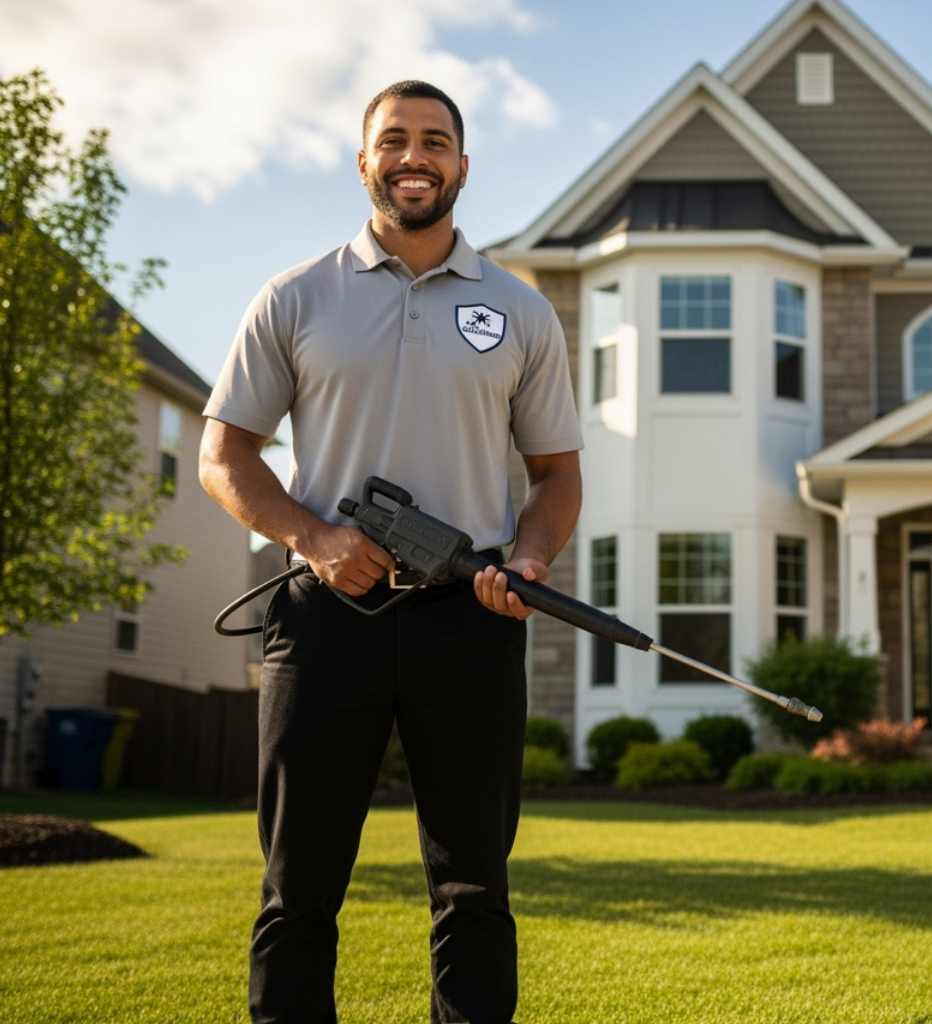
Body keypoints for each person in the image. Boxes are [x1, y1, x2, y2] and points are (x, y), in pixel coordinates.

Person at [199, 79, 582, 1024]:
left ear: (462, 165)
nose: (416, 157)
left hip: (471, 619)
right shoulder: (295, 297)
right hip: (325, 617)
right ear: (364, 159)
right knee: (298, 893)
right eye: (396, 140)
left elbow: (557, 478)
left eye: (436, 141)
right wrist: (315, 538)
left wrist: (528, 562)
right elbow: (223, 453)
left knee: (475, 894)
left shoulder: (520, 311)